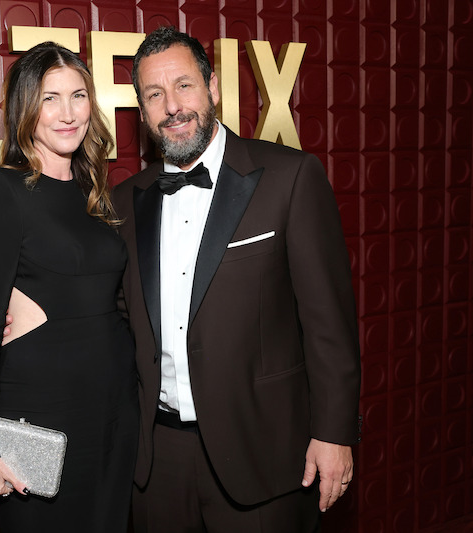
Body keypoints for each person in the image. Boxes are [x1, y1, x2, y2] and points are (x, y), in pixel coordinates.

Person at [112, 27, 361, 532]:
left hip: (265, 453)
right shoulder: (124, 202)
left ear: (213, 88)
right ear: (142, 111)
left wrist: (334, 434)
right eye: (154, 95)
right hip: (160, 463)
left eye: (184, 85)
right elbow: (115, 319)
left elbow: (328, 326)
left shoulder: (290, 178)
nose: (172, 107)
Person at [0, 42, 138, 533]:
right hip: (42, 414)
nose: (67, 113)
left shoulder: (97, 192)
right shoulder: (0, 189)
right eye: (49, 98)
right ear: (25, 109)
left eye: (78, 96)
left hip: (115, 410)